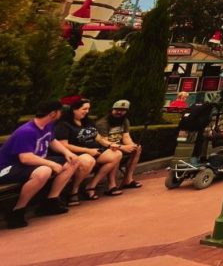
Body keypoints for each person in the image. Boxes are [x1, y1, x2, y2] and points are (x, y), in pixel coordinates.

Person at [0, 100, 79, 228]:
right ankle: (17, 211)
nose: (61, 114)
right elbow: (26, 158)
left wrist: (67, 152)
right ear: (53, 113)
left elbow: (52, 141)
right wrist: (51, 164)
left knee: (73, 161)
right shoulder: (26, 131)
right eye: (60, 111)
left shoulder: (48, 125)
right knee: (44, 171)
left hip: (32, 163)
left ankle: (51, 201)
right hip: (7, 168)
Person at [54, 98, 124, 201]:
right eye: (84, 109)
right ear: (73, 109)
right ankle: (74, 190)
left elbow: (98, 137)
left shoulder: (87, 121)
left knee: (116, 154)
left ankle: (91, 185)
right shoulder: (63, 124)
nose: (87, 111)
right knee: (88, 160)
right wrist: (87, 151)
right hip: (77, 154)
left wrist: (110, 145)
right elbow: (63, 145)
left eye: (88, 109)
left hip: (95, 151)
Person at [95, 100, 143, 190]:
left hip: (119, 145)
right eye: (117, 109)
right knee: (116, 152)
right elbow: (104, 142)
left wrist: (132, 146)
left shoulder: (125, 121)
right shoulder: (102, 123)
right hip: (105, 148)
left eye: (123, 110)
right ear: (112, 109)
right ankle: (112, 185)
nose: (119, 112)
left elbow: (126, 137)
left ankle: (128, 180)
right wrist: (122, 147)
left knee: (137, 149)